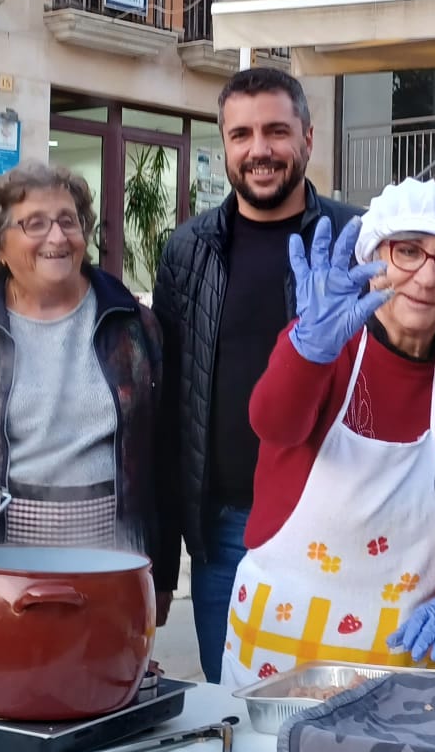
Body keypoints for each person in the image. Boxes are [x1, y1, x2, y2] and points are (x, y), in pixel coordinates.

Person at [221, 181, 435, 686]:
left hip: (410, 656)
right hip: (283, 651)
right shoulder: (326, 344)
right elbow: (273, 423)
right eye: (407, 251)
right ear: (372, 256)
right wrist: (304, 353)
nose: (427, 278)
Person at [152, 67, 359, 682]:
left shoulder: (356, 239)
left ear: (308, 139)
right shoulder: (189, 250)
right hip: (227, 532)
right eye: (241, 135)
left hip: (339, 523)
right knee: (236, 718)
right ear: (225, 145)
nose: (259, 150)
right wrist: (166, 561)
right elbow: (169, 408)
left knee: (342, 718)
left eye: (276, 131)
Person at [0, 162, 172, 610]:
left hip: (116, 560)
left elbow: (163, 455)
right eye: (34, 224)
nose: (57, 238)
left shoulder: (131, 323)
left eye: (67, 221)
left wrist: (163, 573)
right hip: (4, 566)